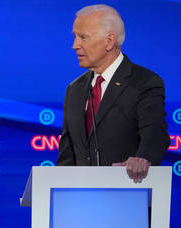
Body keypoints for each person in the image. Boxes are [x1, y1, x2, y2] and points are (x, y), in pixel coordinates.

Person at [57, 4, 170, 183]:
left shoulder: (143, 82)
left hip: (128, 195)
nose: (74, 45)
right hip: (80, 202)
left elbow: (155, 133)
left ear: (109, 41)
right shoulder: (75, 89)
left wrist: (143, 158)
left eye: (83, 37)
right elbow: (67, 155)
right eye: (75, 37)